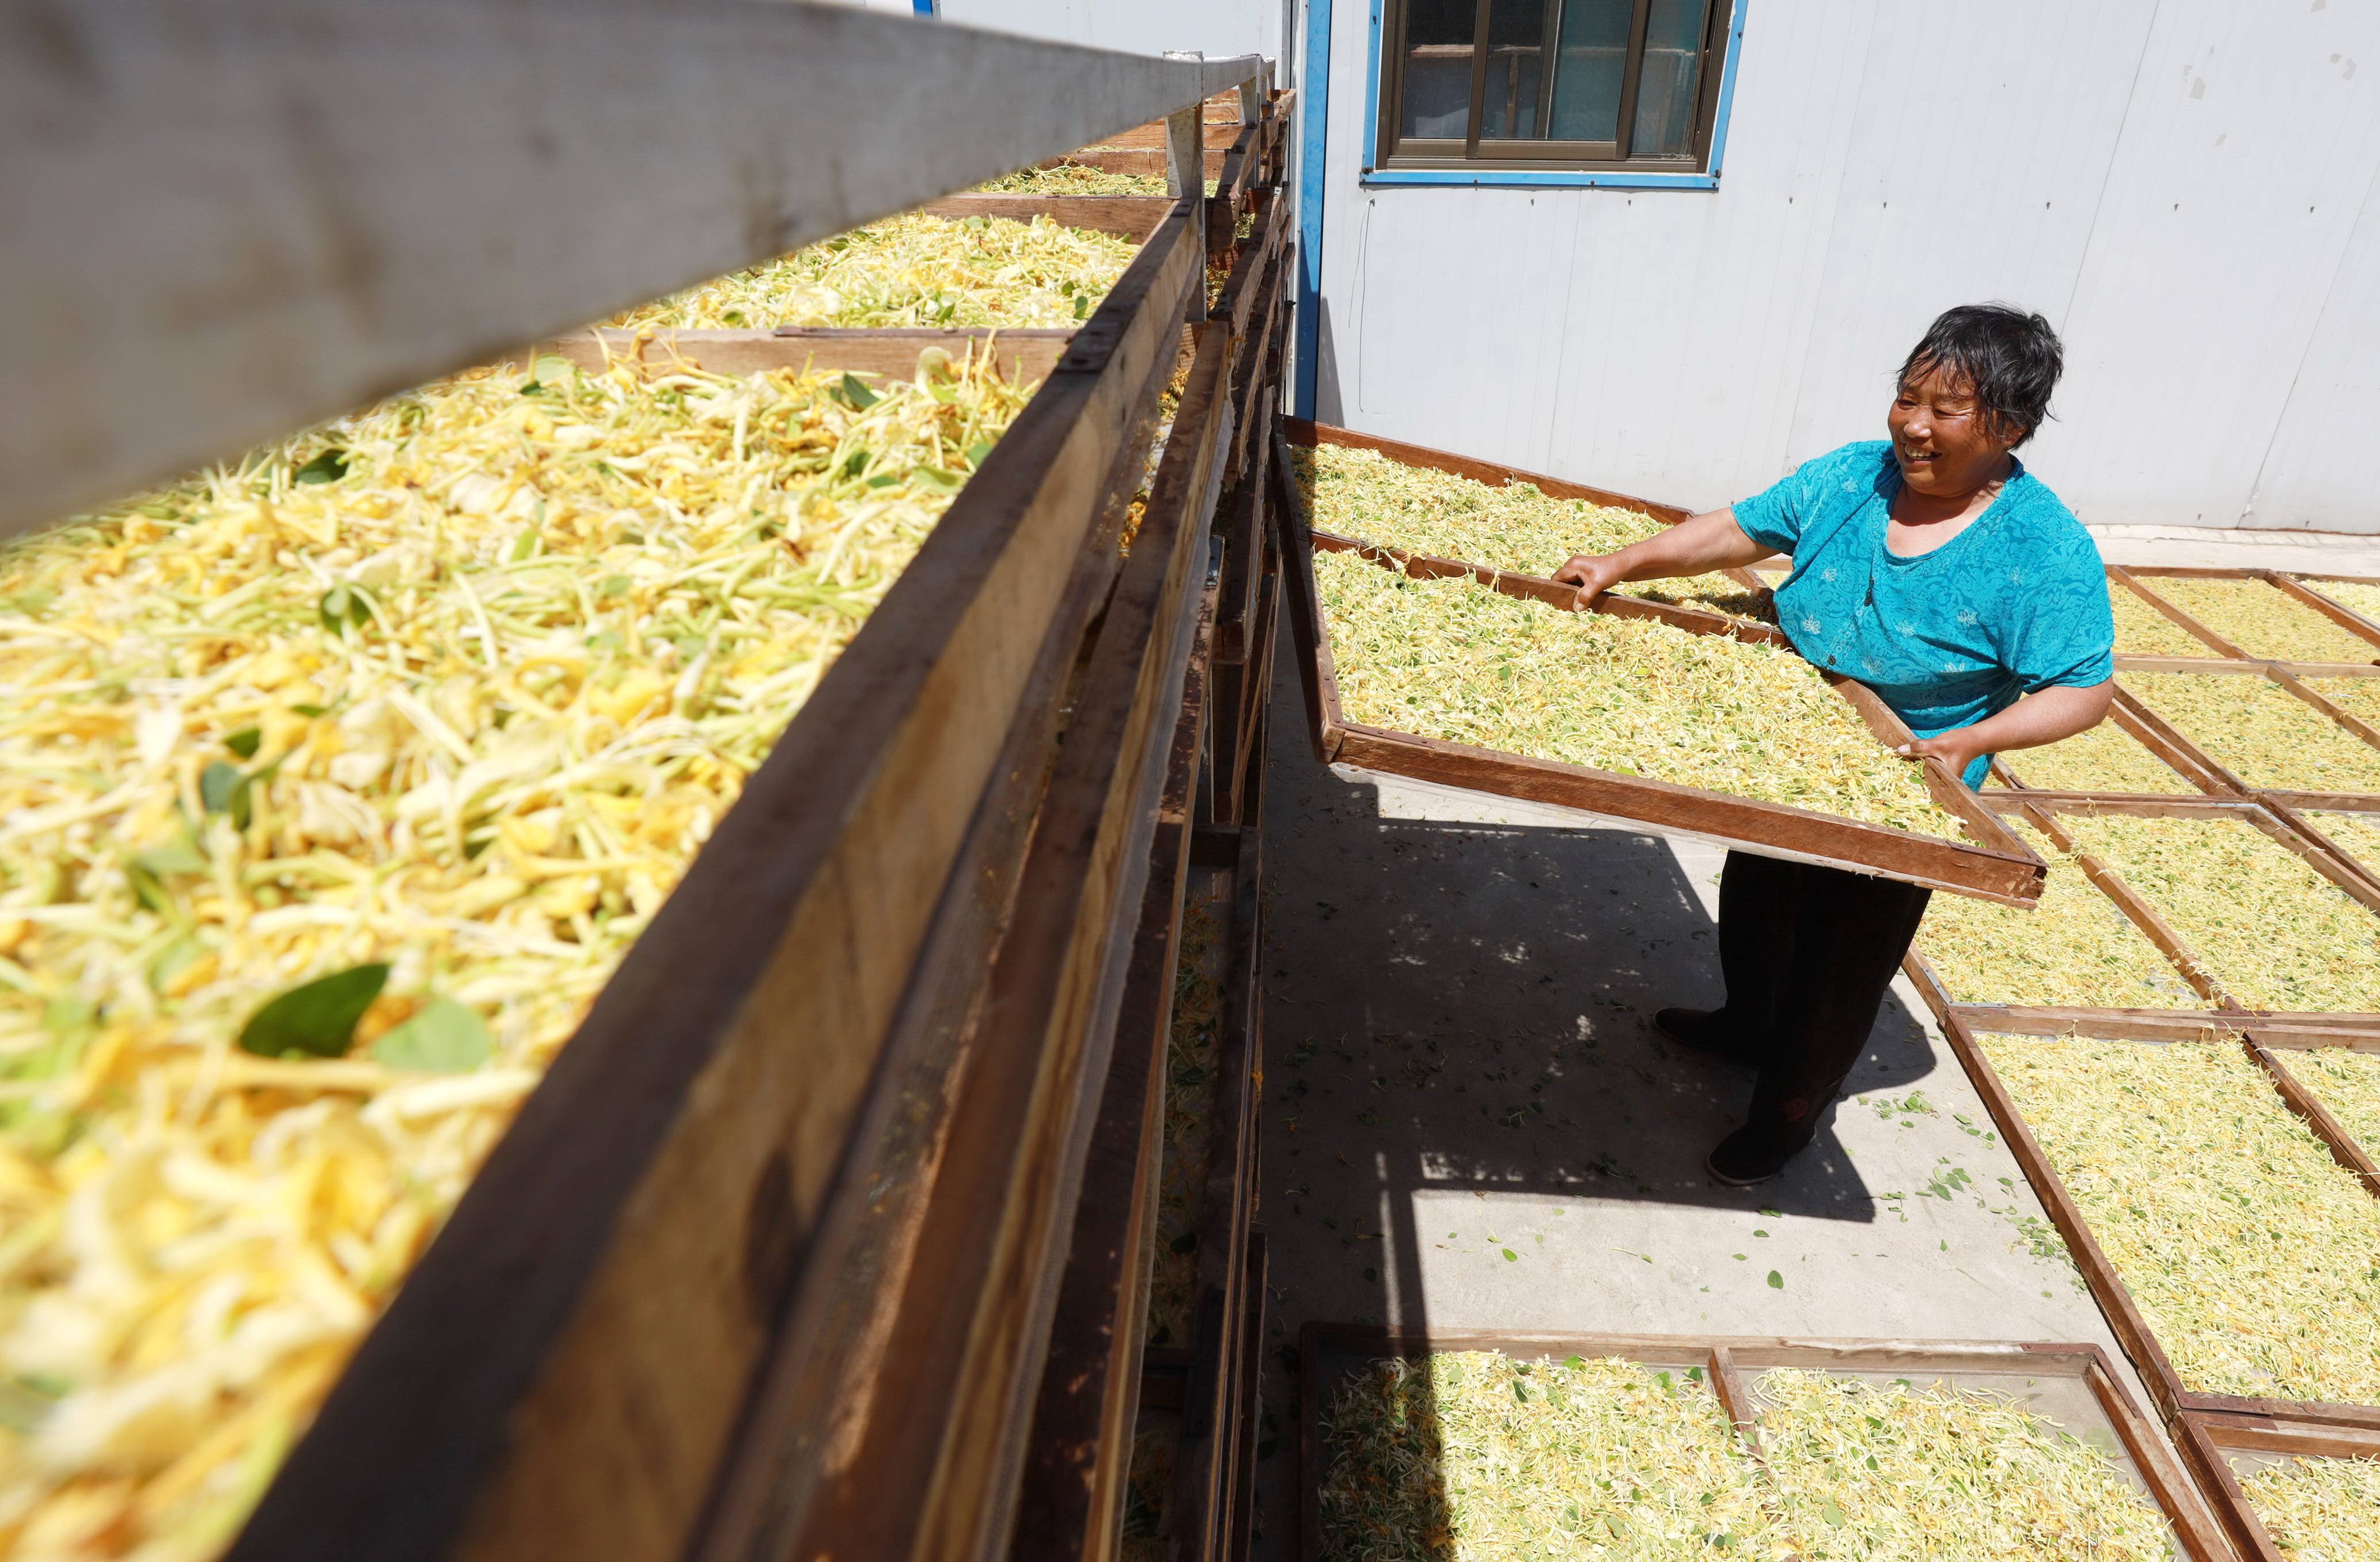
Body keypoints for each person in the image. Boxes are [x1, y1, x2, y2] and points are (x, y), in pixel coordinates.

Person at [1552, 304, 2115, 1186]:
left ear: (2009, 426)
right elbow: (1742, 527)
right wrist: (1622, 563)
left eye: (1944, 409)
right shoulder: (1855, 477)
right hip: (1795, 739)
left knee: (1840, 964)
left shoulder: (2042, 551)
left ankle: (1786, 1115)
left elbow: (2085, 690)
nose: (1913, 426)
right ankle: (1744, 1024)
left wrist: (1972, 738)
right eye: (1906, 398)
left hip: (1905, 777)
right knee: (1759, 895)